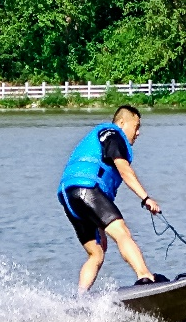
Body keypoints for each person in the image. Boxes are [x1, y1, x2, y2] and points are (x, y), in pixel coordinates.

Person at [57, 104, 168, 292]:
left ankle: (80, 298)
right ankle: (145, 277)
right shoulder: (114, 134)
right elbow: (124, 170)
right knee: (122, 232)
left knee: (96, 253)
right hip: (88, 189)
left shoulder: (101, 137)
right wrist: (145, 198)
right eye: (137, 126)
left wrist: (100, 225)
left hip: (71, 196)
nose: (138, 133)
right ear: (123, 122)